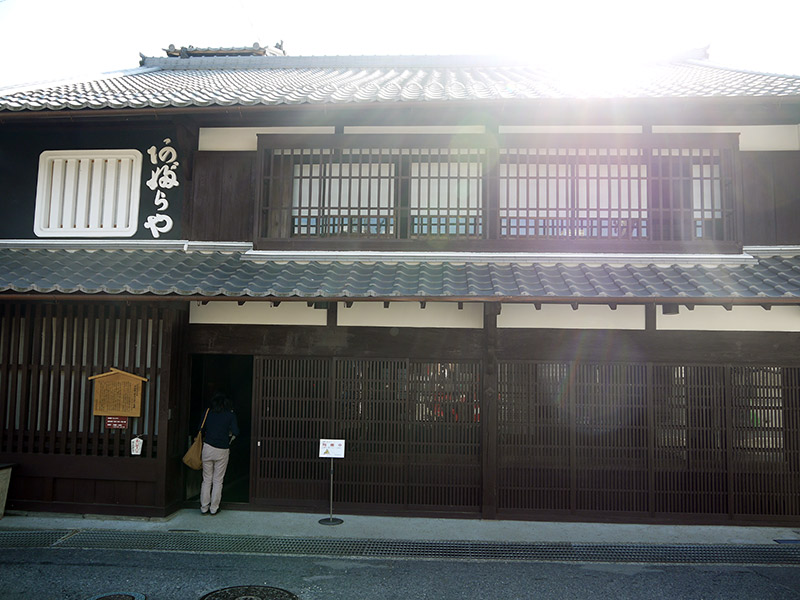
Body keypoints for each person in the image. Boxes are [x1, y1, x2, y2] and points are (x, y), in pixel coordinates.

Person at [199, 392, 240, 515]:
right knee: (218, 480)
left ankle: (204, 507)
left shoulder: (208, 413)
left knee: (206, 479)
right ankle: (214, 508)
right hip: (222, 449)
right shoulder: (230, 415)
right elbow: (236, 431)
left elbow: (200, 429)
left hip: (207, 447)